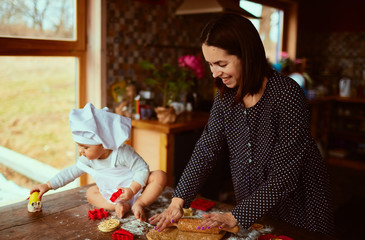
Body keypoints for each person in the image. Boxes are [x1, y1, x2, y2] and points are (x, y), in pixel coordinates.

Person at [149, 13, 335, 236]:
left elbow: (285, 174)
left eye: (221, 63)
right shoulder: (226, 96)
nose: (215, 73)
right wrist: (178, 201)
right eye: (210, 64)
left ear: (247, 55)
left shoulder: (287, 94)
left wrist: (236, 215)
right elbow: (206, 148)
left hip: (300, 208)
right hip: (252, 208)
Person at [30, 103, 167, 221]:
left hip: (137, 189)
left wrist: (132, 189)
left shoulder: (122, 152)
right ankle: (119, 206)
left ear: (104, 144)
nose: (81, 151)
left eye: (85, 147)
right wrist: (47, 185)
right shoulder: (88, 159)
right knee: (91, 193)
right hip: (114, 196)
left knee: (159, 175)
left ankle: (139, 204)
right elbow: (70, 172)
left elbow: (142, 169)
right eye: (79, 146)